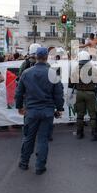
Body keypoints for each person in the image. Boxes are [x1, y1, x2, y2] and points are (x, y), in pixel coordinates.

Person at [16, 47, 64, 175]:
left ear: (36, 57)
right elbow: (58, 93)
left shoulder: (26, 73)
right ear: (47, 57)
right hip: (47, 111)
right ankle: (40, 166)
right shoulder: (53, 73)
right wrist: (59, 108)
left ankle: (24, 162)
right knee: (43, 139)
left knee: (28, 138)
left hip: (31, 111)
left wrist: (19, 107)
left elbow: (19, 92)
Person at [70, 51, 97, 141]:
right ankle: (95, 134)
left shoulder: (76, 68)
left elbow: (72, 81)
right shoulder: (92, 68)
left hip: (79, 93)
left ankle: (79, 133)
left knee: (80, 114)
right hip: (90, 93)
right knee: (93, 115)